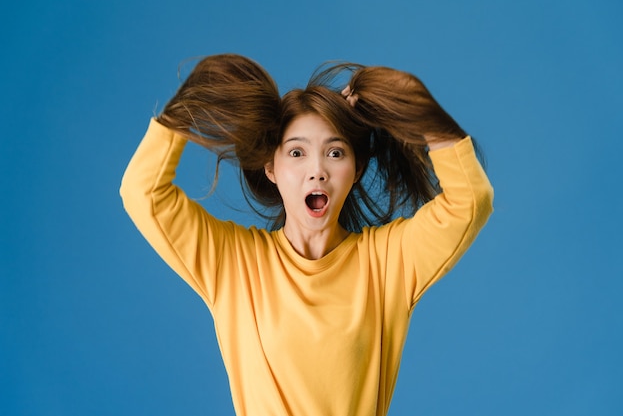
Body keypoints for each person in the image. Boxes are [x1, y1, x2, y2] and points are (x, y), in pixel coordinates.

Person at [120, 53, 494, 416]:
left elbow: (470, 201)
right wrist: (192, 105)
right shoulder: (232, 264)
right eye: (297, 153)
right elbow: (143, 192)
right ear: (271, 167)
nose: (317, 171)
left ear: (357, 168)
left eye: (335, 153)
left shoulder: (386, 264)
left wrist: (393, 96)